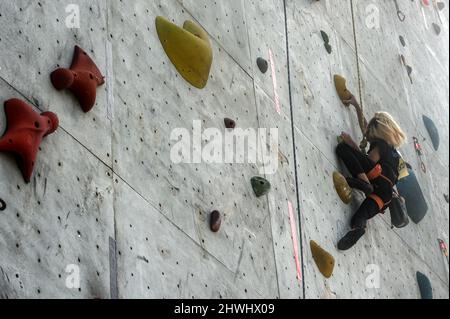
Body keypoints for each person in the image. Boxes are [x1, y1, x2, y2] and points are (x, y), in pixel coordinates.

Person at [336, 95, 407, 250]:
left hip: (375, 179)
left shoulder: (380, 146)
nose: (367, 134)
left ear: (377, 133)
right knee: (359, 217)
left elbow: (368, 161)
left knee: (342, 149)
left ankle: (364, 184)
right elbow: (367, 128)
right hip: (384, 197)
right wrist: (357, 106)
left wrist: (350, 143)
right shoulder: (396, 155)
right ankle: (358, 229)